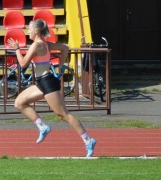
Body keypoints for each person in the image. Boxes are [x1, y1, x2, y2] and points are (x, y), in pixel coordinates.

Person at [6, 18, 97, 157]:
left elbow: (23, 63)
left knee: (63, 115)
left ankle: (88, 140)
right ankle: (42, 127)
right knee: (19, 103)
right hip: (42, 82)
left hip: (47, 82)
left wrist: (17, 49)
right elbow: (65, 48)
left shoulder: (37, 45)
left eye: (30, 29)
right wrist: (60, 66)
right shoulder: (45, 44)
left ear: (36, 30)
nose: (28, 32)